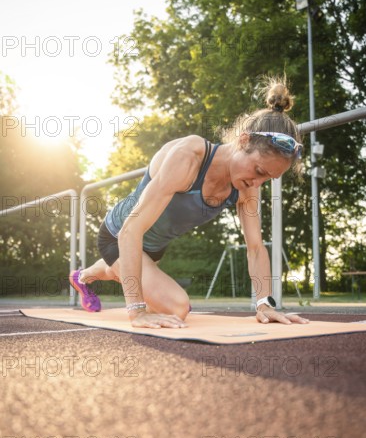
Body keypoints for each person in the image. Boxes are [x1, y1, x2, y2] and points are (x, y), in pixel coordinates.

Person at [69, 77, 309, 329]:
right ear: (244, 141)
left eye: (269, 179)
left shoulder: (246, 186)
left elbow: (256, 248)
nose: (258, 183)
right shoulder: (189, 157)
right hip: (120, 233)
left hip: (153, 248)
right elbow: (131, 231)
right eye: (259, 171)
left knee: (117, 270)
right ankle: (101, 272)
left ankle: (82, 276)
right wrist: (137, 311)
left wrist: (264, 304)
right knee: (177, 307)